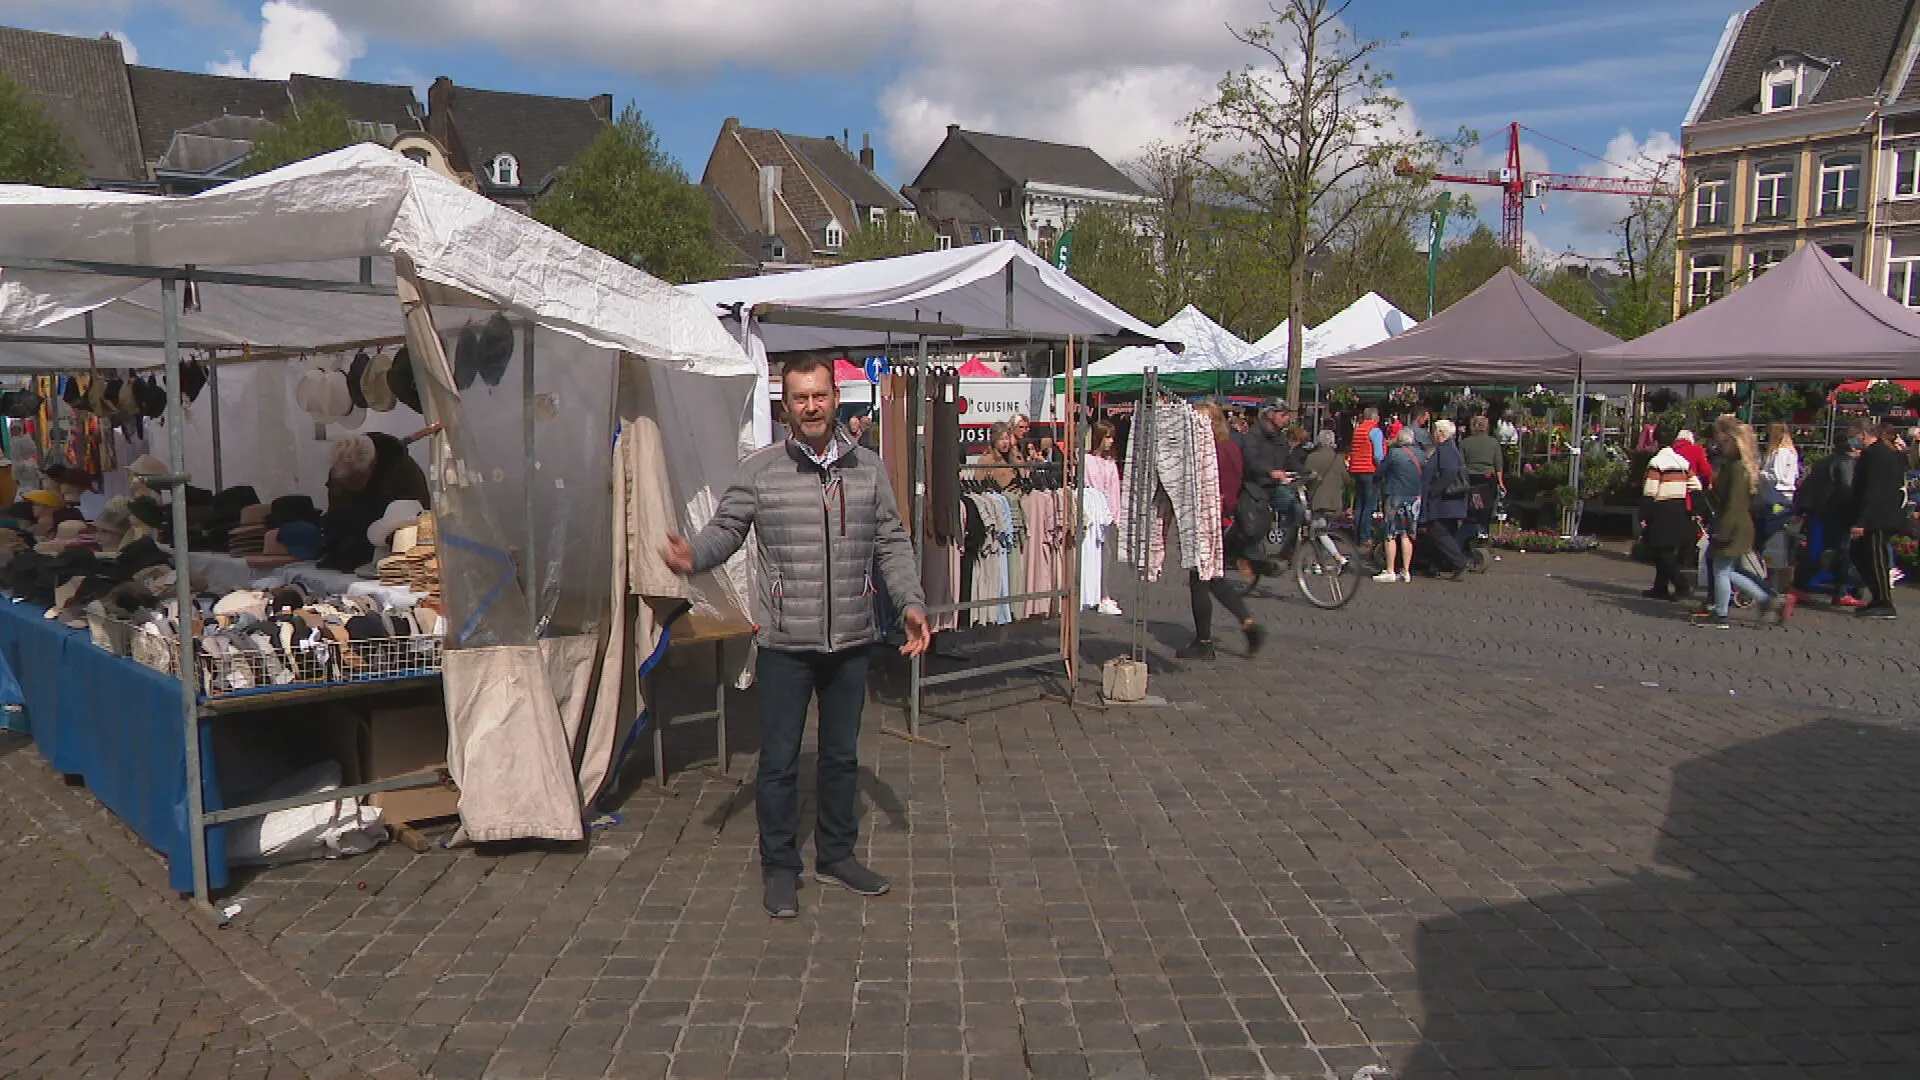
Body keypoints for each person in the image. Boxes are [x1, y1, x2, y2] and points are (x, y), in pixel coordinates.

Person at [661, 355, 931, 919]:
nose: (811, 407)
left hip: (852, 640)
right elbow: (726, 530)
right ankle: (780, 868)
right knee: (779, 762)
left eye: (820, 396)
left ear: (837, 399)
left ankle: (836, 855)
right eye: (801, 398)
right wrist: (693, 557)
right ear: (786, 407)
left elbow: (892, 541)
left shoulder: (869, 470)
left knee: (840, 759)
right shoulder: (760, 472)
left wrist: (909, 602)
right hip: (786, 643)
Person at [1177, 404, 1266, 660]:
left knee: (1200, 580)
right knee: (1214, 579)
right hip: (1225, 520)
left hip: (1210, 520)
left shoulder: (1213, 452)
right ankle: (1248, 623)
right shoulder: (1230, 448)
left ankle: (1204, 642)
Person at [1697, 421, 1791, 629]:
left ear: (1733, 441)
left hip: (1734, 525)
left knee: (1722, 570)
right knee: (1729, 569)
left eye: (1723, 441)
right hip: (1738, 524)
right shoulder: (1739, 465)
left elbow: (1734, 503)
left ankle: (1722, 614)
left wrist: (1724, 529)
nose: (1718, 445)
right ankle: (1767, 599)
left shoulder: (1738, 467)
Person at [322, 432, 430, 571]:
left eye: (355, 477)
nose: (350, 483)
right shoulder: (342, 466)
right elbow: (336, 512)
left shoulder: (405, 477)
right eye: (345, 479)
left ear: (372, 465)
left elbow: (412, 523)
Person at [1793, 428, 1865, 607]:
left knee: (1821, 552)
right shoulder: (1846, 463)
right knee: (1842, 552)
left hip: (1820, 513)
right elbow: (1847, 489)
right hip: (1838, 514)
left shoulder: (1824, 461)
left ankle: (1799, 586)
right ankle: (1840, 592)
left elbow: (1808, 486)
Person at [1843, 418, 1907, 619]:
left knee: (1875, 558)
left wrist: (1861, 521)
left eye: (1853, 437)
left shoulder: (1877, 455)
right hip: (1877, 514)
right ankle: (1878, 597)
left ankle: (1884, 602)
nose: (1852, 442)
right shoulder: (1876, 454)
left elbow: (1873, 491)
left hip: (1877, 517)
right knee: (1860, 554)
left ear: (1863, 435)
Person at [1638, 445, 1701, 601]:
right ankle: (1660, 587)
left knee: (1661, 550)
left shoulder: (1657, 463)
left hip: (1662, 509)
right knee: (1666, 549)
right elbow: (1696, 486)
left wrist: (1644, 515)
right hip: (1679, 509)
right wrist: (1696, 509)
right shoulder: (1683, 463)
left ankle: (1682, 585)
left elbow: (1650, 490)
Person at [1419, 419, 1473, 580]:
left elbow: (1449, 472)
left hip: (1443, 501)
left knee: (1437, 532)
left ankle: (1459, 562)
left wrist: (1435, 490)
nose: (1433, 434)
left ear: (1441, 433)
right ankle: (1435, 566)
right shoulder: (1449, 448)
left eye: (1435, 431)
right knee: (1444, 532)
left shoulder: (1446, 449)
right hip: (1448, 502)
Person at [1082, 420, 1125, 616]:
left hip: (1105, 515)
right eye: (1107, 437)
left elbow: (1114, 491)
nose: (1111, 441)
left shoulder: (1110, 464)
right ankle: (1094, 594)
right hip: (1090, 512)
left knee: (1104, 555)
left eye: (1111, 437)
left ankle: (1102, 594)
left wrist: (1115, 516)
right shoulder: (1086, 460)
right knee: (1089, 555)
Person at [1374, 428, 1423, 583]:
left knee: (1390, 533)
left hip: (1395, 496)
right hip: (1414, 497)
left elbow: (1380, 471)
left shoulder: (1394, 454)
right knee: (1407, 534)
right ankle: (1406, 571)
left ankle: (1390, 570)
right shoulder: (1421, 454)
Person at [1458, 415, 1504, 546]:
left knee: (1471, 510)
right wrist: (1501, 483)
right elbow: (1498, 464)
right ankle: (1483, 536)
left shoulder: (1464, 443)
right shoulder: (1493, 443)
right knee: (1486, 511)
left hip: (1470, 479)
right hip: (1487, 479)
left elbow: (1461, 464)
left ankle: (1469, 537)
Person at [1349, 407, 1385, 544]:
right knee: (1369, 505)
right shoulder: (1375, 431)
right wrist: (1382, 468)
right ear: (1375, 417)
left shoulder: (1358, 430)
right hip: (1370, 470)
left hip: (1357, 470)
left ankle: (1356, 535)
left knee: (1359, 504)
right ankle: (1365, 537)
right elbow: (1378, 455)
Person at [1303, 430, 1349, 521]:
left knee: (1316, 531)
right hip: (1334, 503)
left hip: (1316, 502)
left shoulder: (1311, 457)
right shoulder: (1339, 459)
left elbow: (1305, 479)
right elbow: (1347, 480)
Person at [975, 421, 1020, 490]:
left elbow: (1024, 476)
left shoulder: (1012, 457)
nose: (1005, 442)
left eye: (1006, 438)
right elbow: (978, 483)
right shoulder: (987, 459)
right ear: (994, 441)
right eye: (1001, 439)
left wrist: (1014, 449)